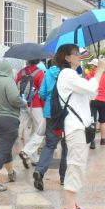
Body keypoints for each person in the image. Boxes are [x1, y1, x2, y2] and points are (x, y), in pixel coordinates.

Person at [55, 44, 103, 209]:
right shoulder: (67, 74)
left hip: (79, 127)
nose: (80, 56)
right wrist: (100, 70)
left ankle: (72, 205)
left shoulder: (73, 75)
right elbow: (92, 89)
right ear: (67, 58)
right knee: (75, 166)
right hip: (75, 129)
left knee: (78, 166)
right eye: (76, 53)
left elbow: (90, 94)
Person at [0, 60, 27, 192]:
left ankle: (10, 173)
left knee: (5, 147)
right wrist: (23, 102)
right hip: (8, 119)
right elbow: (14, 98)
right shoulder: (8, 81)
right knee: (2, 150)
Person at [33, 55, 67, 191]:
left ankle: (40, 171)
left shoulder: (47, 74)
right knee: (66, 146)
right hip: (64, 114)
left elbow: (41, 93)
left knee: (50, 145)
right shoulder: (67, 74)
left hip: (50, 113)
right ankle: (64, 177)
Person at [16, 59, 45, 168]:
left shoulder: (21, 72)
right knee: (40, 129)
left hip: (24, 104)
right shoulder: (39, 72)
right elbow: (42, 91)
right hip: (36, 104)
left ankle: (32, 157)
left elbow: (16, 87)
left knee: (27, 129)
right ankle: (28, 152)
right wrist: (44, 106)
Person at [86, 59, 105, 148]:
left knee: (92, 121)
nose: (91, 67)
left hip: (92, 101)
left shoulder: (88, 76)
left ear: (95, 66)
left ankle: (92, 141)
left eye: (92, 65)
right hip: (103, 101)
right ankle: (102, 140)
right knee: (103, 121)